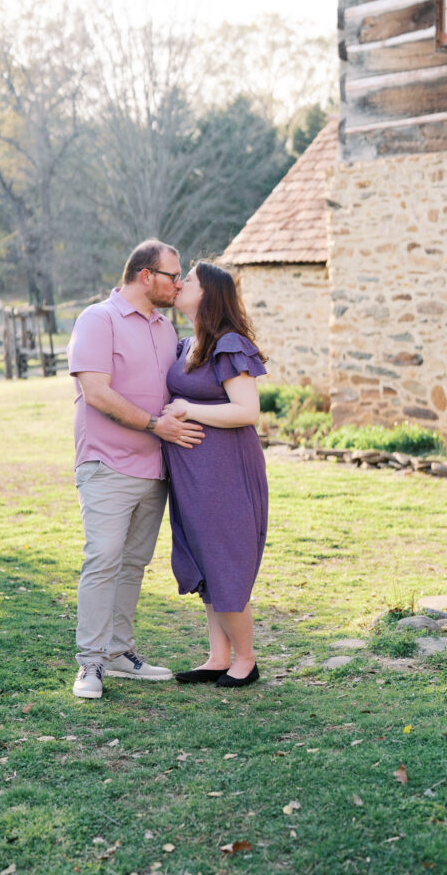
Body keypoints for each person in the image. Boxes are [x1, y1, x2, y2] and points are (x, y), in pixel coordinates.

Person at [67, 239, 205, 700]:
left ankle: (119, 653)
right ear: (146, 276)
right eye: (173, 275)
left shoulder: (166, 329)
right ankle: (89, 662)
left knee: (132, 564)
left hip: (155, 468)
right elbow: (97, 393)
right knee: (103, 559)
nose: (179, 283)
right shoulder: (97, 320)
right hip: (106, 464)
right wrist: (153, 424)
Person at [162, 261, 268, 688]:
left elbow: (247, 410)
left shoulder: (228, 344)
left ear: (207, 294)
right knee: (205, 558)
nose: (180, 283)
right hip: (192, 476)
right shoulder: (187, 343)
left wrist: (188, 410)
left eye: (188, 279)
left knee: (224, 559)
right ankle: (217, 656)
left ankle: (246, 659)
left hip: (224, 473)